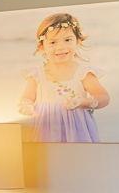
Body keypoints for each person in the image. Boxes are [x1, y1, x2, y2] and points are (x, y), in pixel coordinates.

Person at [17, 11, 108, 142]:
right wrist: (26, 105)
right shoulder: (36, 75)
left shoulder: (83, 73)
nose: (60, 47)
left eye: (67, 40)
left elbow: (103, 97)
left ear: (78, 41)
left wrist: (84, 102)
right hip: (46, 128)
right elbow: (27, 97)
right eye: (53, 42)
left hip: (77, 129)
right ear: (42, 46)